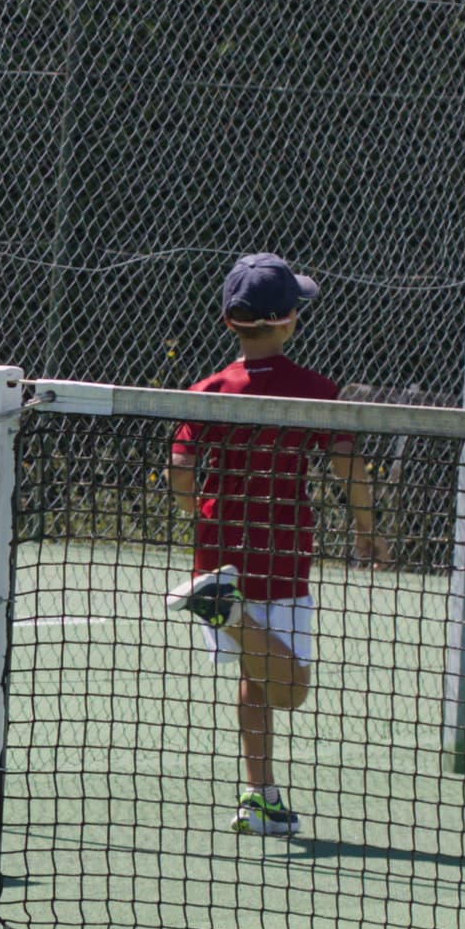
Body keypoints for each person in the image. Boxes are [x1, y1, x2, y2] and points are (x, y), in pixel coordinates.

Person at [165, 253, 380, 837]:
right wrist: (367, 528)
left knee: (255, 674)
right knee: (290, 690)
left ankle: (261, 798)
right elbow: (349, 464)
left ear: (229, 321)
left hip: (215, 554)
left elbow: (181, 468)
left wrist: (191, 512)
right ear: (288, 321)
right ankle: (229, 613)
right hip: (279, 555)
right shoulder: (315, 391)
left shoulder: (207, 390)